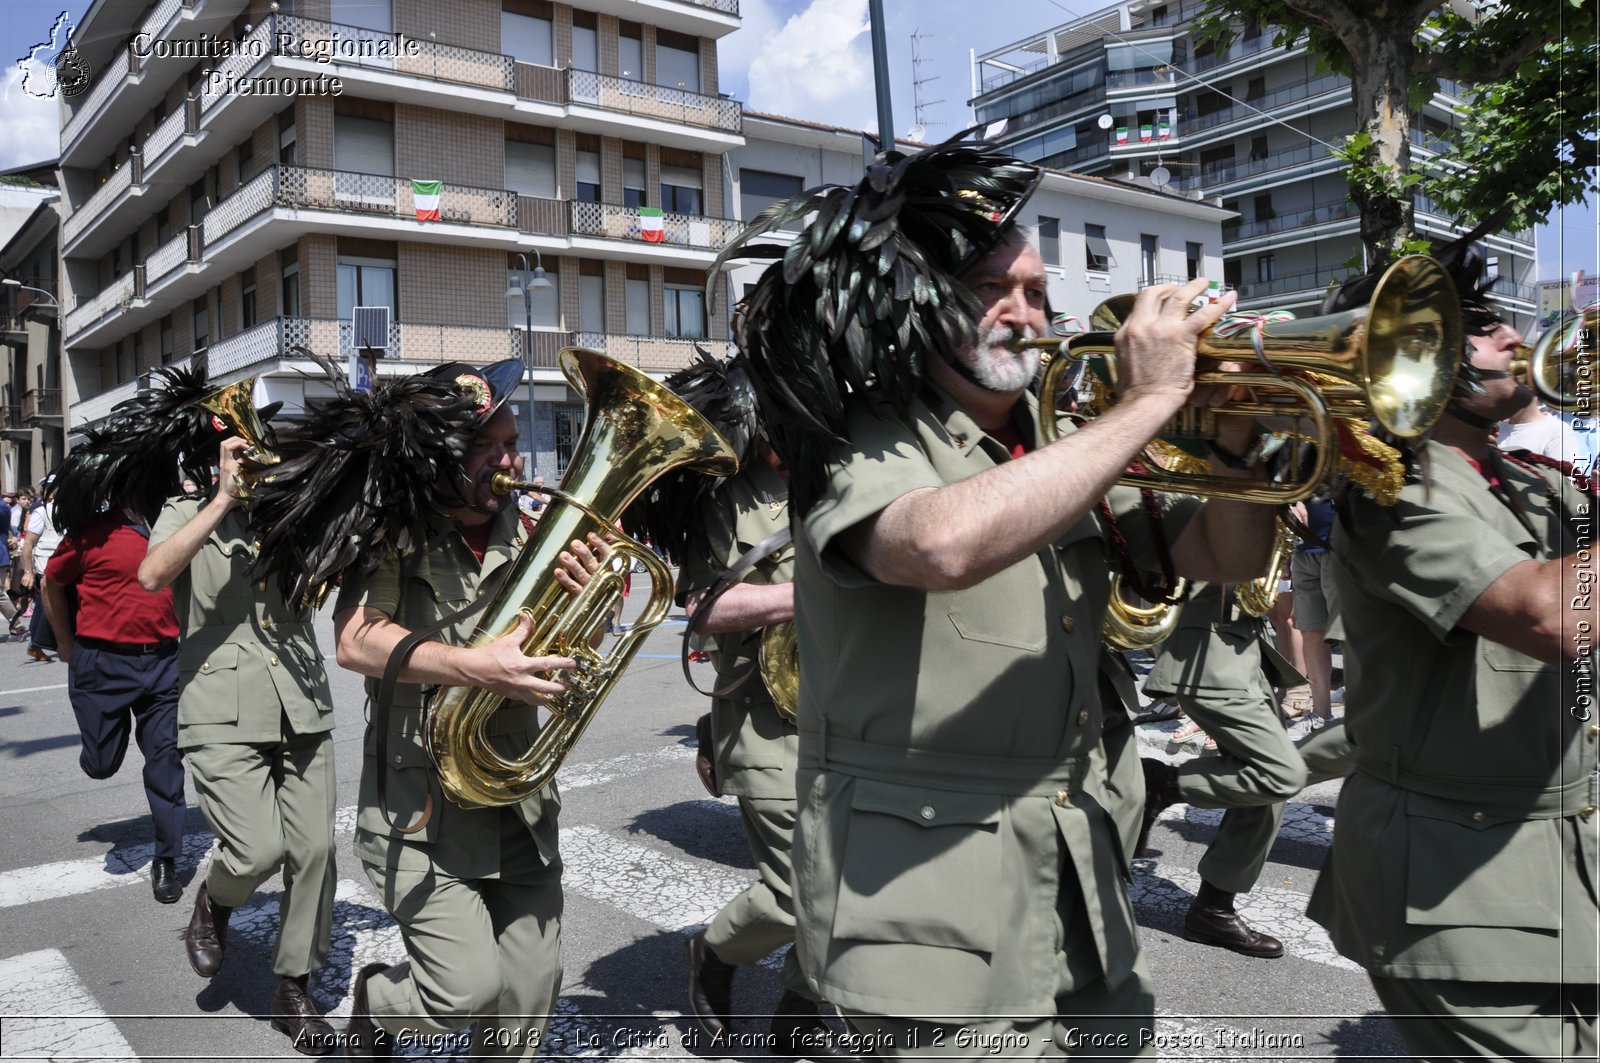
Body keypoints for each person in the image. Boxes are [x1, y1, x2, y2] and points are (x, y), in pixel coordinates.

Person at [720, 138, 1278, 1057]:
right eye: (993, 289)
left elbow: (1220, 555)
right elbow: (940, 543)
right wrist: (1145, 406)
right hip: (920, 881)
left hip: (1074, 859)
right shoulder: (857, 435)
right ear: (918, 300)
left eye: (1038, 294)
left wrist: (1238, 440)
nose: (1027, 315)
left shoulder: (1066, 437)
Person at [1306, 254, 1598, 1060]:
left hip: (1560, 852)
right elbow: (1555, 616)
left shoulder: (1532, 481)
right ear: (1411, 356)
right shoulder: (1392, 493)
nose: (1514, 332)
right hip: (1455, 874)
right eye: (1481, 323)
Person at [328, 359, 606, 1061]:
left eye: (512, 442)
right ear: (441, 459)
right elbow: (356, 639)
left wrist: (597, 598)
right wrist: (475, 666)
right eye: (489, 448)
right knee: (462, 992)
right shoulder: (395, 531)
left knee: (530, 995)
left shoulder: (541, 528)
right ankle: (378, 1002)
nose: (510, 459)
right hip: (423, 807)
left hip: (515, 799)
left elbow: (570, 649)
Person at [625, 354, 845, 1056]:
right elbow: (704, 608)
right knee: (795, 890)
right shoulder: (733, 497)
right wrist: (812, 595)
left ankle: (801, 1010)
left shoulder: (846, 477)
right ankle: (714, 954)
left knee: (848, 881)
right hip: (765, 721)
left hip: (849, 709)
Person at [138, 426, 339, 1055]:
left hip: (300, 699)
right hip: (220, 709)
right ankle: (214, 899)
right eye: (238, 451)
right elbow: (151, 575)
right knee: (255, 852)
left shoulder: (289, 512)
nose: (253, 461)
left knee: (314, 852)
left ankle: (293, 988)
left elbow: (327, 579)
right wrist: (223, 499)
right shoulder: (183, 510)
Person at [1138, 582, 1307, 958]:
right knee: (1278, 772)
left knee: (1263, 790)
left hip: (1244, 647)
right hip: (1209, 650)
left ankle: (1213, 910)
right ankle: (1162, 784)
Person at [42, 477, 185, 905]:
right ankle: (103, 745)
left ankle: (167, 860)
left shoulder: (175, 527)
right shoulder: (91, 531)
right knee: (101, 765)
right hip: (101, 664)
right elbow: (52, 582)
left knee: (165, 766)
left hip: (163, 664)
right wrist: (64, 641)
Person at [21, 476, 64, 661]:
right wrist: (28, 572)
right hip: (46, 564)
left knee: (48, 604)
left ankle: (38, 643)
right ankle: (36, 644)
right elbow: (28, 544)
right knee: (49, 603)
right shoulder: (41, 512)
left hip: (63, 563)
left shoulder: (65, 510)